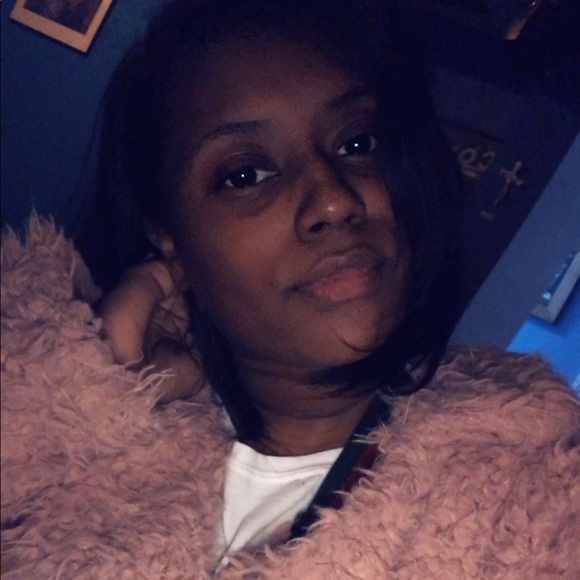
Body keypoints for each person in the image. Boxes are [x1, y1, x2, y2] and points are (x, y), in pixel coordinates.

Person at [1, 0, 577, 577]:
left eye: (358, 144)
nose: (334, 200)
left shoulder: (536, 497)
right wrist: (89, 407)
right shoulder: (50, 442)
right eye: (246, 175)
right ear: (169, 237)